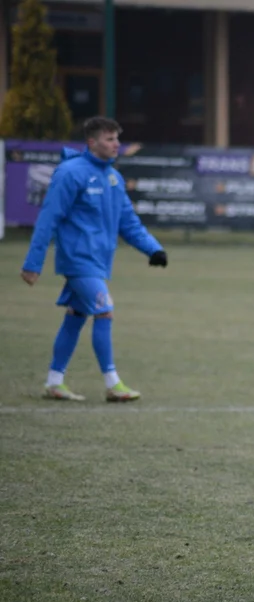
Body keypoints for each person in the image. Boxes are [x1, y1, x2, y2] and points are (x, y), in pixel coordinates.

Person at [20, 117, 167, 403]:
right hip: (78, 261)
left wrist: (154, 249)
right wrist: (33, 263)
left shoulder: (113, 178)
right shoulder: (70, 173)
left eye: (117, 139)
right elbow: (48, 218)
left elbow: (130, 223)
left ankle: (54, 381)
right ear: (92, 142)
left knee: (75, 318)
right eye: (110, 139)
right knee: (105, 311)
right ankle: (113, 383)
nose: (117, 145)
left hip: (99, 263)